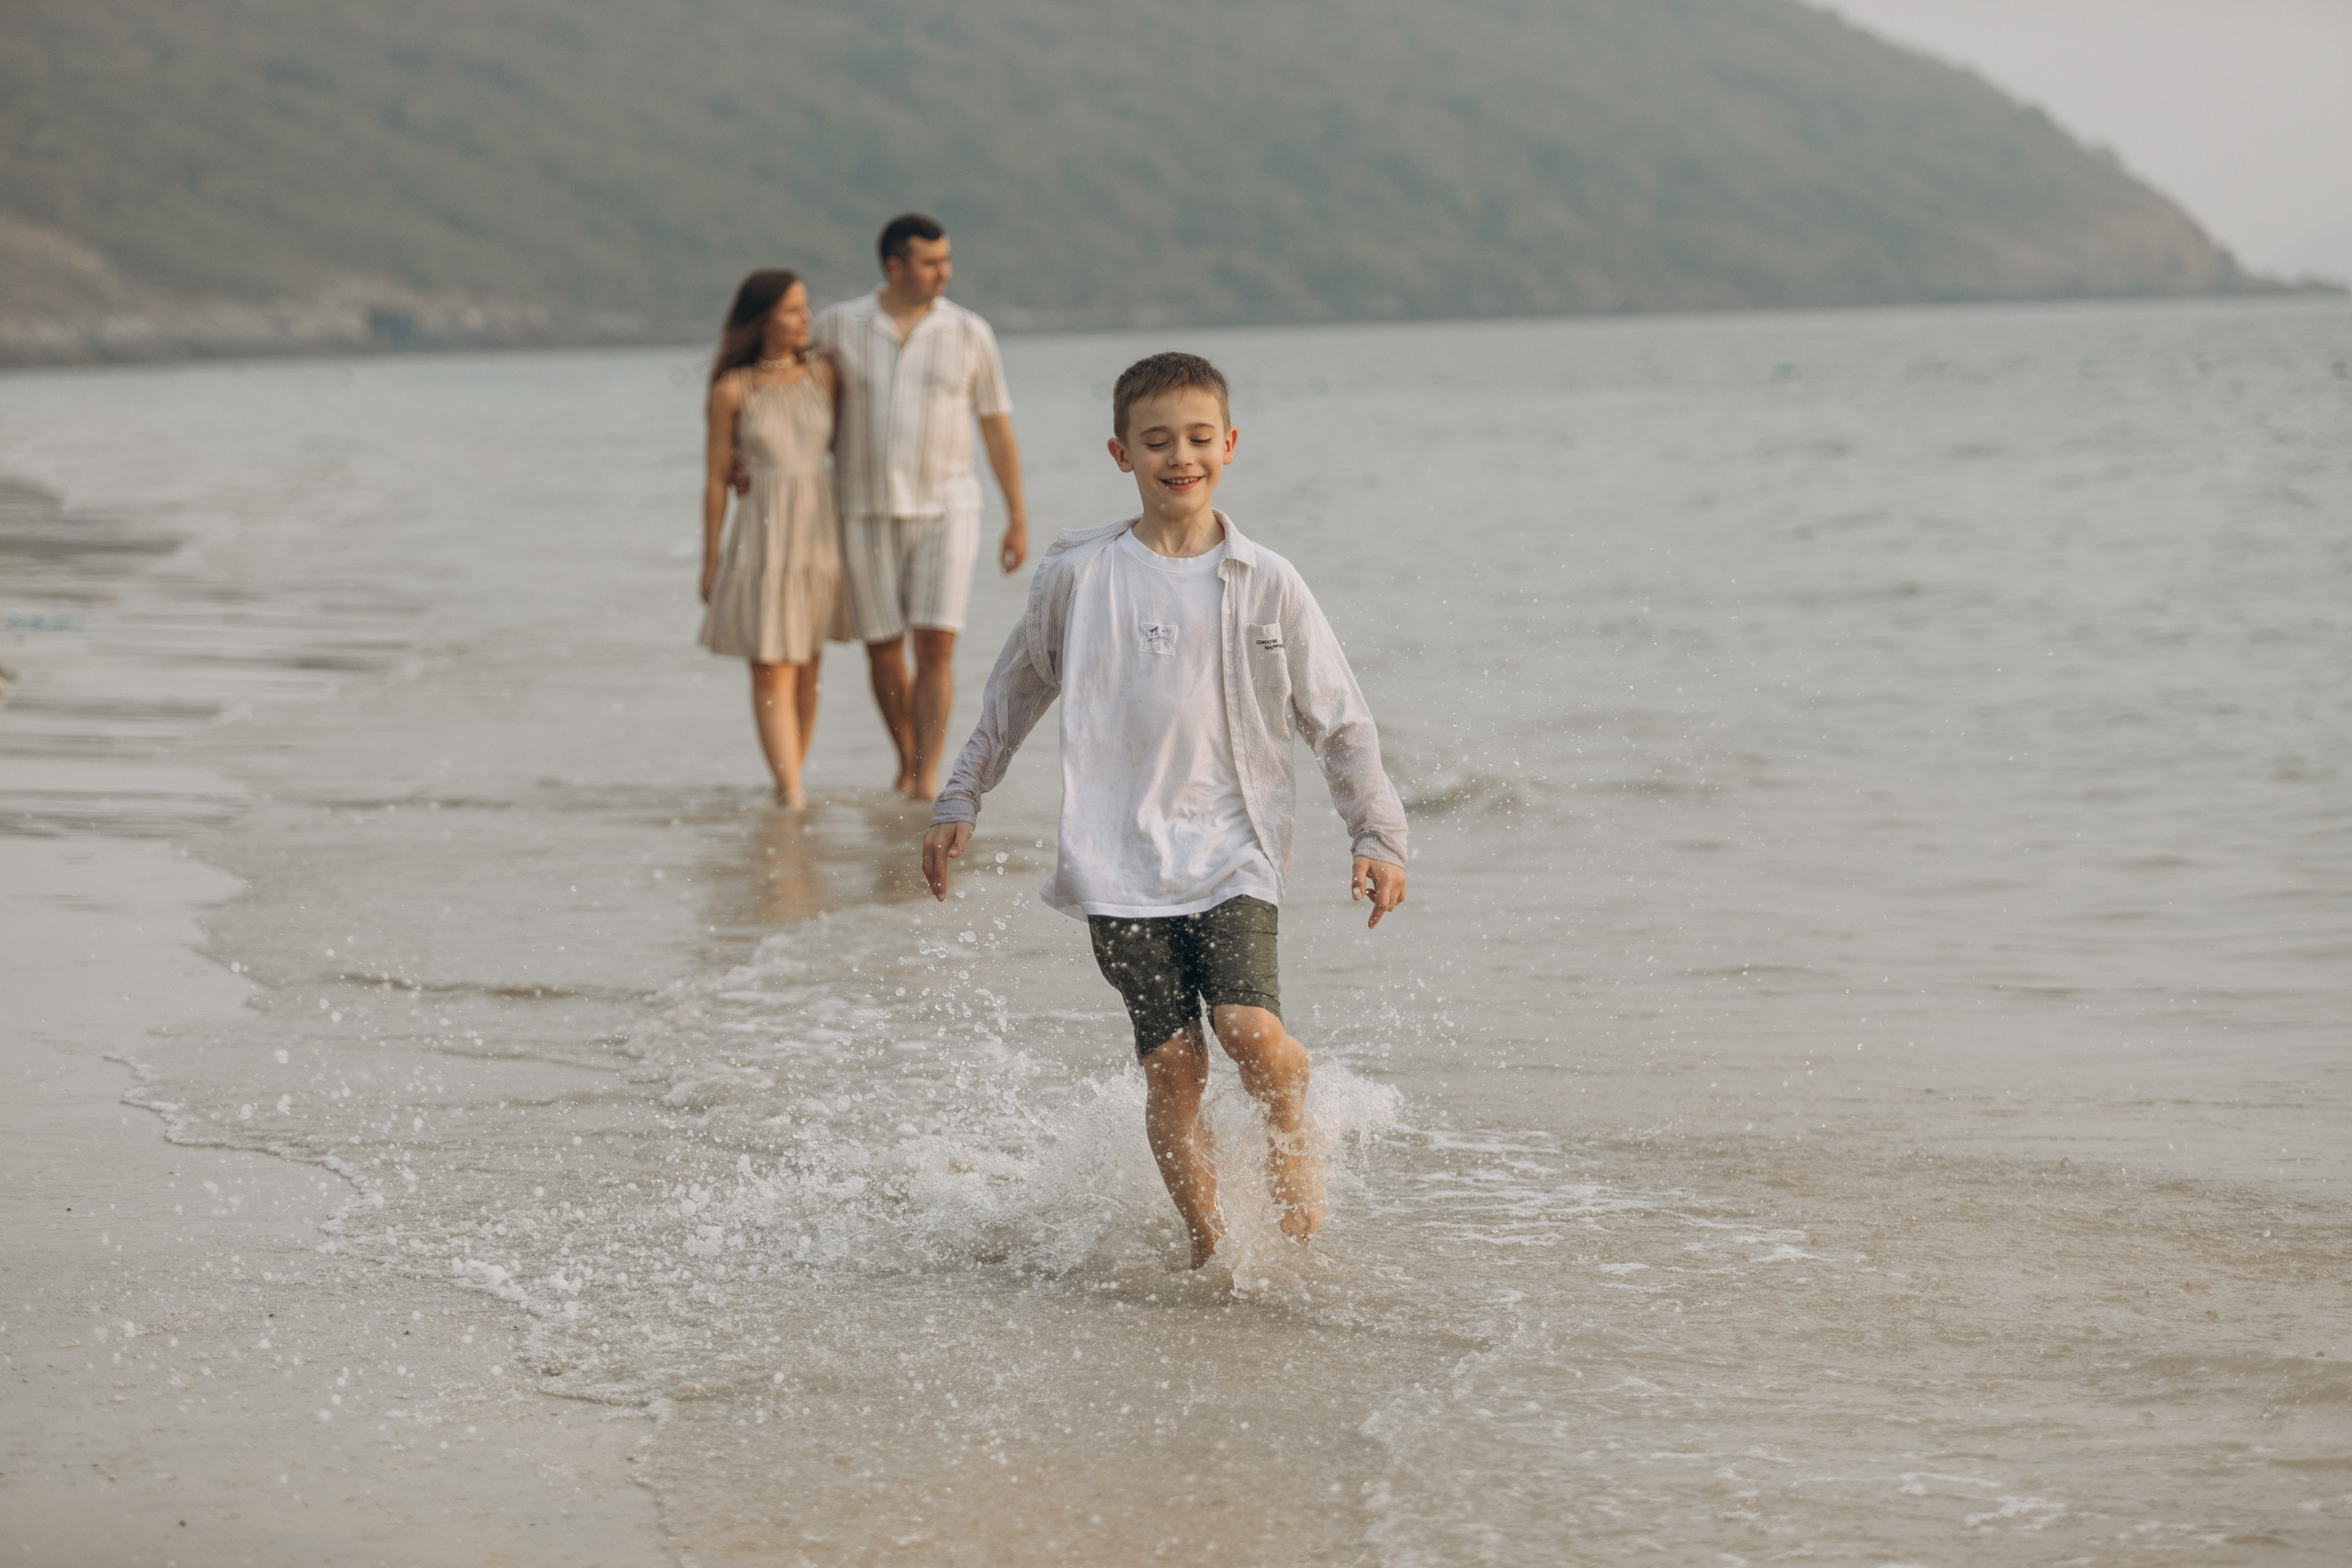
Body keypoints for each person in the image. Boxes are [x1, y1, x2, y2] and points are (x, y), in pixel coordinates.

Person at [920, 351, 1408, 1269]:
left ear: (1228, 445)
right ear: (1121, 454)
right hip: (1116, 861)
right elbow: (1011, 696)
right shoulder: (1078, 578)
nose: (1178, 457)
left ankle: (1290, 1108)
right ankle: (1209, 1244)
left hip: (1235, 847)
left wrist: (1376, 833)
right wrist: (960, 796)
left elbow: (1337, 719)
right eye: (1156, 442)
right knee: (1172, 1064)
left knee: (1250, 1033)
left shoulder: (1268, 579)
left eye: (1196, 438)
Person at [809, 213, 1028, 801]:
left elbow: (996, 426)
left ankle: (925, 776)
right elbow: (796, 400)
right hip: (862, 509)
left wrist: (1016, 515)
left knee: (936, 646)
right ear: (894, 267)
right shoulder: (837, 326)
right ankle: (906, 759)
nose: (943, 272)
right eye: (931, 262)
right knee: (882, 648)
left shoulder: (969, 331)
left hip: (949, 508)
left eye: (946, 260)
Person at [699, 268, 841, 808]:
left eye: (805, 308)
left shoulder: (825, 375)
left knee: (806, 664)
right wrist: (710, 559)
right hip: (760, 535)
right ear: (763, 319)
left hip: (817, 532)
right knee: (769, 665)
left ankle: (791, 783)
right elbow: (714, 479)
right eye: (793, 310)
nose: (807, 319)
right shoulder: (731, 389)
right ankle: (791, 794)